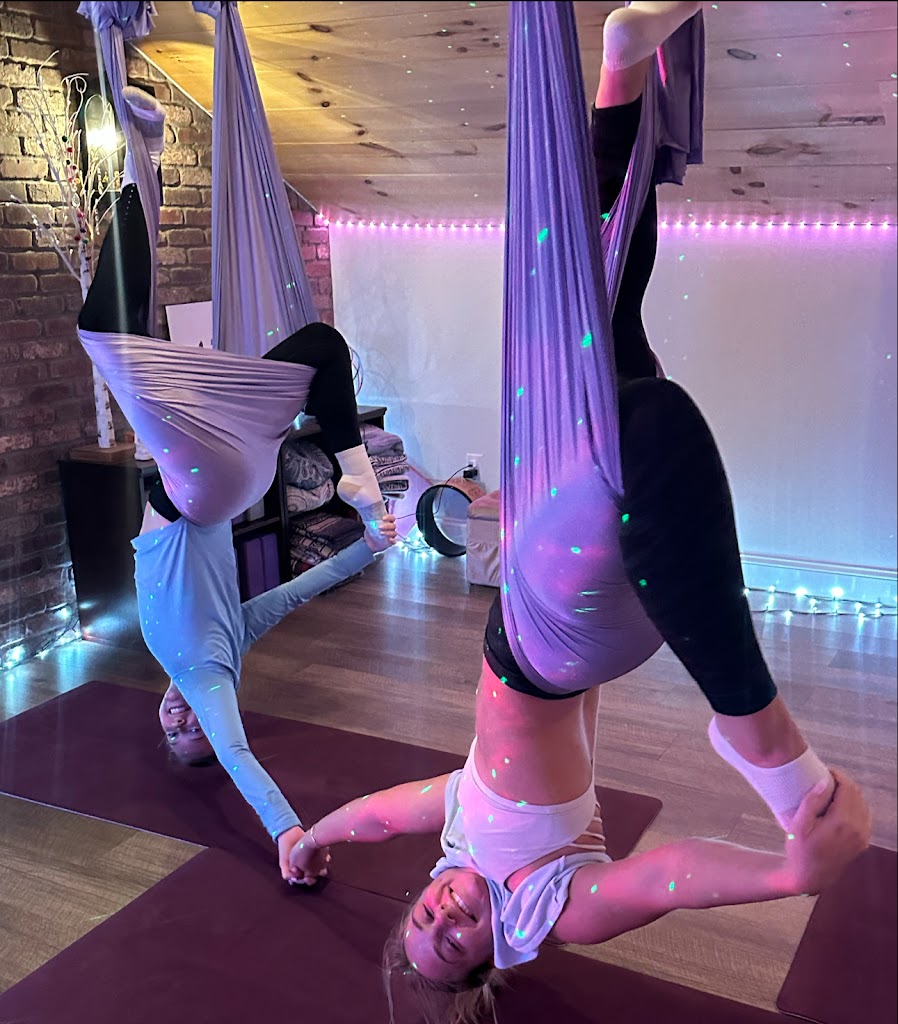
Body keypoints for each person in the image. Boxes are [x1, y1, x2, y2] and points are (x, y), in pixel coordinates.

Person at [286, 4, 871, 1021]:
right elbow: (663, 877)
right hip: (550, 637)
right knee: (644, 430)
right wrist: (785, 875)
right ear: (489, 959)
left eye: (425, 917)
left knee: (595, 308)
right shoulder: (546, 906)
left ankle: (623, 69)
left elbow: (383, 816)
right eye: (457, 939)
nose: (449, 912)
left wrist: (312, 836)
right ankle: (764, 744)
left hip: (556, 610)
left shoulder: (460, 833)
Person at [76, 86, 397, 880]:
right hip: (204, 485)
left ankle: (141, 160)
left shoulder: (205, 645)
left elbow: (292, 592)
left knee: (318, 344)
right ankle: (356, 480)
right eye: (196, 732)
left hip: (224, 473)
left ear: (160, 720)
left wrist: (367, 547)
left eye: (175, 728)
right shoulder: (211, 668)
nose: (185, 718)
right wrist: (288, 832)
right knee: (107, 339)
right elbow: (243, 750)